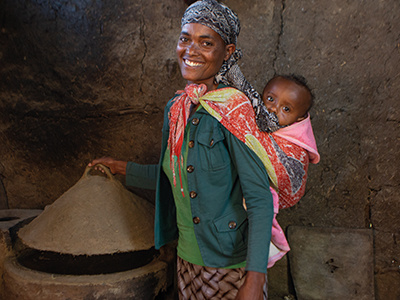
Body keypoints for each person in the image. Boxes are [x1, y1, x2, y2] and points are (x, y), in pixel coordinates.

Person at [90, 0, 273, 299]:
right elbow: (176, 177)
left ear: (227, 52)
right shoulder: (176, 109)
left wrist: (254, 280)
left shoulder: (233, 111)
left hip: (230, 265)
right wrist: (120, 167)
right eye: (185, 38)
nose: (191, 50)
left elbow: (259, 199)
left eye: (206, 42)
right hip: (187, 259)